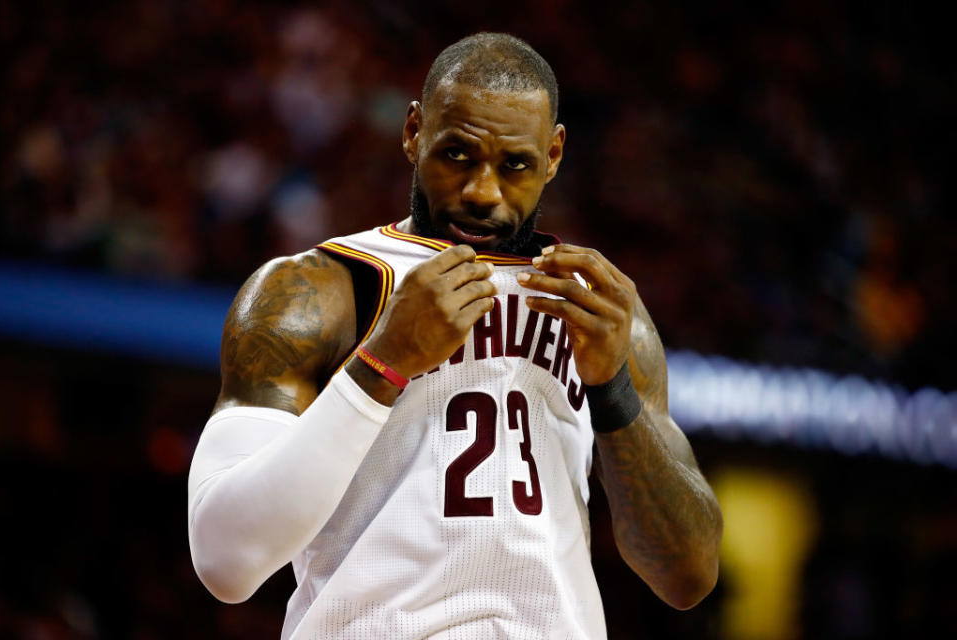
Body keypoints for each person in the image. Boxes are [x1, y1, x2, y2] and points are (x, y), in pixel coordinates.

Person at [188, 32, 723, 639]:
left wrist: (613, 388)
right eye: (458, 156)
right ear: (414, 132)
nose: (483, 192)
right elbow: (225, 560)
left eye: (514, 165)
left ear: (553, 154)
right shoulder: (323, 289)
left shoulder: (601, 306)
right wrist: (382, 364)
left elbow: (687, 576)